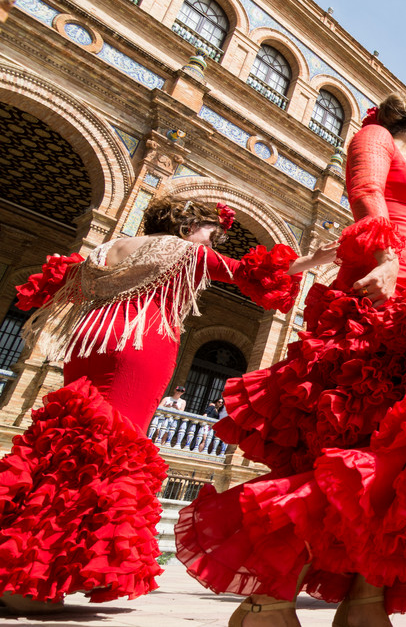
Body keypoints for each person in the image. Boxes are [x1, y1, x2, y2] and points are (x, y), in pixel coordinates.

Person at [174, 92, 406, 627]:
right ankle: (270, 598)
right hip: (382, 292)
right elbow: (365, 190)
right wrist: (388, 259)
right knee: (351, 445)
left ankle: (365, 599)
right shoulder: (375, 139)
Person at [0, 195, 324, 612]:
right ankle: (36, 580)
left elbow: (60, 284)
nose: (213, 243)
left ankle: (16, 562)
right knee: (108, 451)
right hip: (140, 340)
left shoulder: (109, 248)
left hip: (89, 340)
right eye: (211, 234)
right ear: (190, 227)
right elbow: (251, 272)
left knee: (65, 444)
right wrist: (315, 259)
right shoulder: (184, 250)